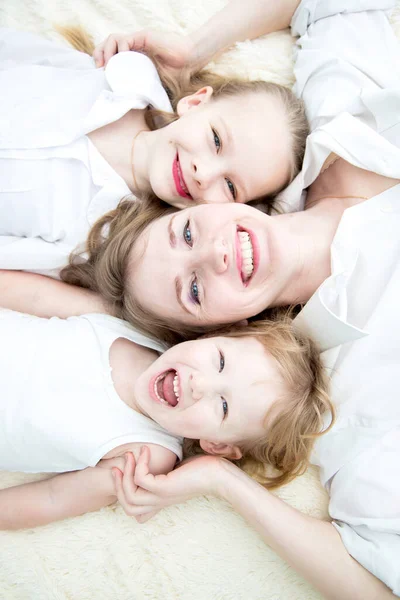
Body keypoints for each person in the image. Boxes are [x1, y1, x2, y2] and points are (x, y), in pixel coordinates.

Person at [72, 1, 399, 598]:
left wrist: (195, 46)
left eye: (188, 232)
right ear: (228, 329)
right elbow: (377, 579)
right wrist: (223, 482)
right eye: (194, 290)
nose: (215, 256)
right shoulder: (360, 386)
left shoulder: (334, 128)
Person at [0, 281, 330, 529]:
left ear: (217, 444)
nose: (199, 385)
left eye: (224, 407)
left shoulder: (147, 455)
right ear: (215, 334)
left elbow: (54, 498)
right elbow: (34, 296)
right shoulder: (130, 326)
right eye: (219, 361)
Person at [0, 26, 307, 277]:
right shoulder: (124, 75)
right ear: (195, 103)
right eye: (216, 140)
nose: (205, 173)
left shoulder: (99, 235)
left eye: (230, 186)